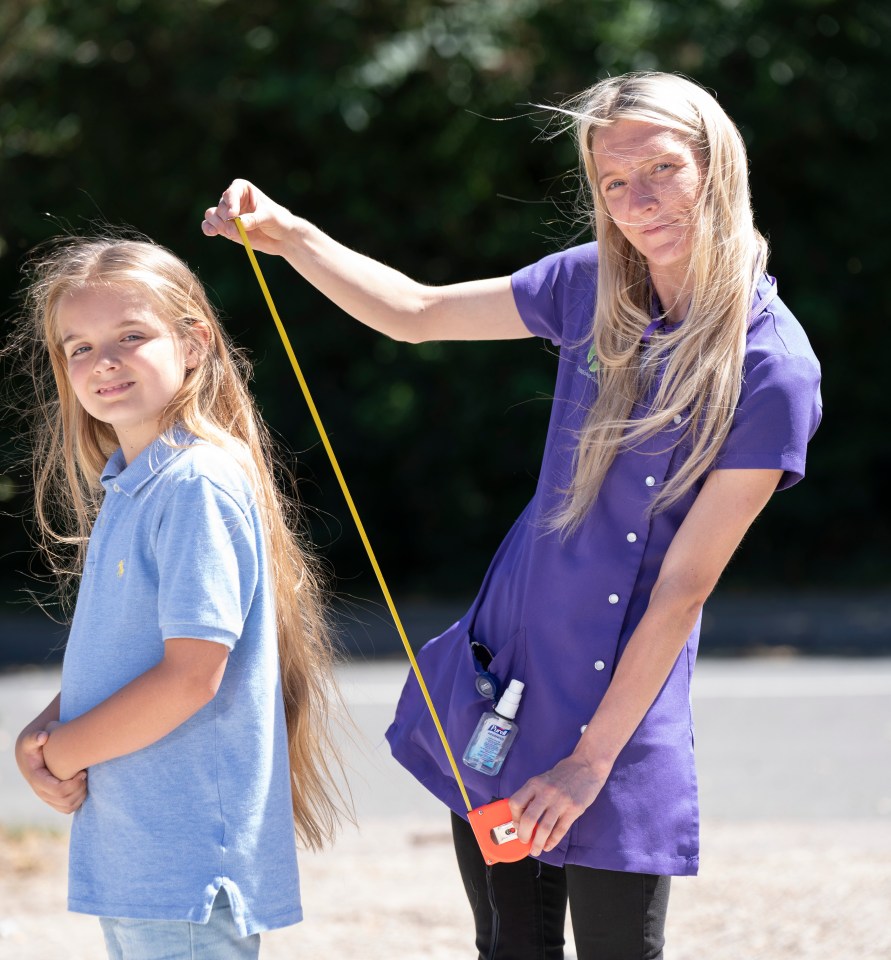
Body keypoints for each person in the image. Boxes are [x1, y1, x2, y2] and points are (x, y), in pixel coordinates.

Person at [202, 71, 822, 960]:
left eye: (660, 169)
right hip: (506, 680)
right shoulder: (590, 284)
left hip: (620, 711)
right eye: (613, 182)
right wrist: (290, 236)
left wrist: (589, 761)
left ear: (716, 166)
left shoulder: (774, 369)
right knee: (510, 947)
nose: (637, 201)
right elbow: (414, 314)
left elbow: (683, 588)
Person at [11, 235, 350, 959]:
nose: (103, 361)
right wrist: (43, 734)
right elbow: (122, 657)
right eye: (78, 347)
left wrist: (66, 751)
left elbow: (191, 676)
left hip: (185, 862)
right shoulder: (130, 484)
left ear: (194, 343)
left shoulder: (195, 483)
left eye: (131, 336)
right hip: (140, 854)